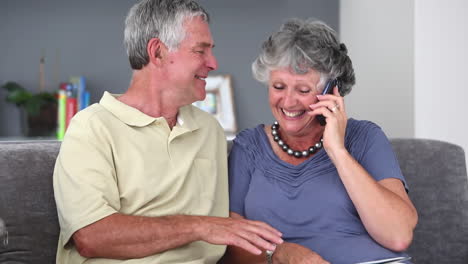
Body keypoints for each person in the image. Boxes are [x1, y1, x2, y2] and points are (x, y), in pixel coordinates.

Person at [52, 0, 283, 263]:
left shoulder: (209, 131)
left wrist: (281, 251)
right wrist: (200, 226)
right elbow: (92, 237)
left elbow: (231, 230)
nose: (213, 63)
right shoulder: (93, 127)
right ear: (158, 52)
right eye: (200, 51)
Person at [220, 19, 418, 264]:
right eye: (279, 86)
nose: (288, 102)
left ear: (331, 91)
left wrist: (337, 151)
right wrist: (280, 253)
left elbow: (398, 236)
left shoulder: (365, 137)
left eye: (303, 91)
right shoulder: (248, 147)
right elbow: (229, 243)